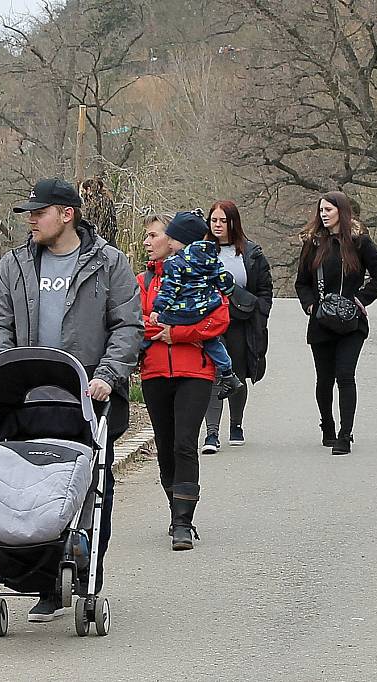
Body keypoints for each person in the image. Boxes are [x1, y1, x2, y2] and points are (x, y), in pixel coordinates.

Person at [0, 177, 142, 620]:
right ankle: (39, 581)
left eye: (39, 212)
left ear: (67, 214)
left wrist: (108, 376)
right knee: (27, 490)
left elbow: (128, 326)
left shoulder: (109, 263)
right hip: (30, 401)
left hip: (91, 399)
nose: (31, 220)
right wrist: (10, 367)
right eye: (29, 213)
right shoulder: (14, 265)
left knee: (91, 489)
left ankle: (82, 573)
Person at [139, 211, 230, 551]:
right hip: (154, 372)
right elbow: (135, 323)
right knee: (165, 445)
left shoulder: (202, 273)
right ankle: (174, 507)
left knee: (184, 443)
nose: (148, 242)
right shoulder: (144, 282)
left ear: (173, 240)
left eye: (154, 235)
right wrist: (160, 332)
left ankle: (183, 522)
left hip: (196, 371)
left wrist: (175, 333)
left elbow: (219, 320)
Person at [294, 191, 377, 455]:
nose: (324, 214)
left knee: (345, 375)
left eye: (329, 210)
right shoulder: (312, 244)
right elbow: (301, 282)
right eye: (321, 210)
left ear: (342, 212)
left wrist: (360, 300)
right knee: (324, 379)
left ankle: (345, 435)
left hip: (351, 323)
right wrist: (311, 304)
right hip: (321, 321)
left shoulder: (359, 242)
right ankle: (327, 424)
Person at [145, 210, 243, 400]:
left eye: (172, 239)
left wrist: (158, 310)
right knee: (212, 342)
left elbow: (169, 289)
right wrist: (229, 291)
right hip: (205, 309)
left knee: (150, 327)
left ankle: (138, 354)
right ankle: (228, 373)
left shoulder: (175, 262)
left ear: (183, 240)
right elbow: (224, 279)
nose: (170, 243)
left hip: (182, 312)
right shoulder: (212, 257)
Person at [202, 200, 273, 453]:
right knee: (213, 375)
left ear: (234, 222)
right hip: (210, 323)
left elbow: (265, 289)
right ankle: (211, 433)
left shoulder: (251, 253)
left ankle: (236, 424)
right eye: (214, 220)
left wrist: (260, 314)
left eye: (223, 220)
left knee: (237, 374)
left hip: (241, 324)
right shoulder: (202, 251)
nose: (218, 225)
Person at [80, 176, 118, 246]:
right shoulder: (107, 200)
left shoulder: (95, 204)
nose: (82, 194)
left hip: (100, 243)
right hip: (109, 241)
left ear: (88, 189)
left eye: (83, 191)